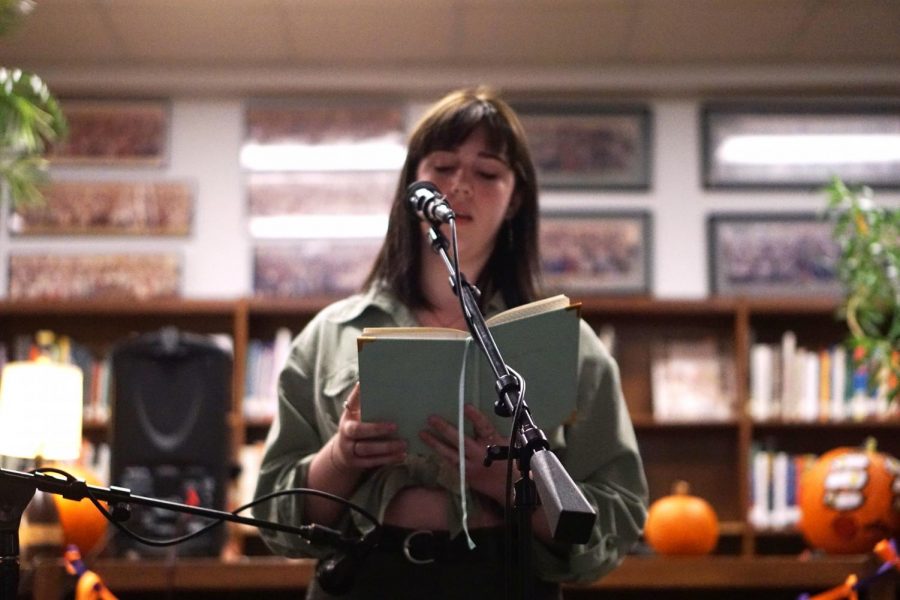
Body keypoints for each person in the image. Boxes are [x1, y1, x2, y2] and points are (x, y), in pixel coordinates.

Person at [252, 87, 648, 599]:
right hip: (366, 577)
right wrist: (341, 458)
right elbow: (275, 518)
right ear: (410, 185)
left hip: (504, 577)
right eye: (442, 167)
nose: (460, 186)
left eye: (487, 173)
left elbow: (615, 514)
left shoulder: (571, 346)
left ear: (515, 199)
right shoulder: (331, 335)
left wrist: (504, 482)